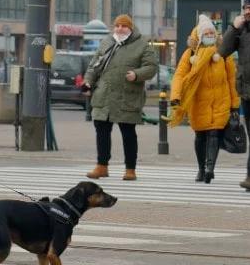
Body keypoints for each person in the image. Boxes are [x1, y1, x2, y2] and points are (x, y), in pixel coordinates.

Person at [83, 14, 158, 181]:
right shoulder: (107, 42)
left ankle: (130, 169)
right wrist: (88, 82)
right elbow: (94, 65)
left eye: (123, 26)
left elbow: (152, 67)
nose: (119, 29)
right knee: (101, 131)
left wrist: (137, 74)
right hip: (104, 95)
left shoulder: (142, 44)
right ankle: (102, 166)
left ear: (130, 28)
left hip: (127, 96)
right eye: (117, 26)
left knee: (128, 133)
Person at [170, 15, 239, 184]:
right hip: (198, 102)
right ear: (199, 35)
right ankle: (201, 168)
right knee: (200, 136)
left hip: (220, 101)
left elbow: (232, 79)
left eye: (211, 32)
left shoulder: (223, 53)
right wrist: (176, 96)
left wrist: (234, 104)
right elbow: (179, 76)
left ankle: (209, 169)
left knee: (214, 133)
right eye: (206, 32)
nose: (209, 34)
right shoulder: (190, 54)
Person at [219, 0, 250, 191]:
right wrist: (234, 28)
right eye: (246, 8)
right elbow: (223, 51)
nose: (249, 11)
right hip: (247, 91)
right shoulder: (241, 32)